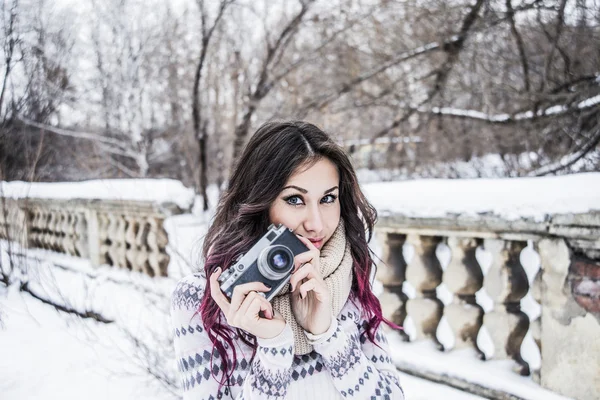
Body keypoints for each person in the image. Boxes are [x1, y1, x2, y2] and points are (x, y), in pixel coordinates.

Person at [170, 121, 405, 399]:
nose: (316, 224)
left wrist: (328, 333)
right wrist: (273, 346)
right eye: (295, 200)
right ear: (260, 201)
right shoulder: (203, 298)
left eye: (328, 198)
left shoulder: (347, 278)